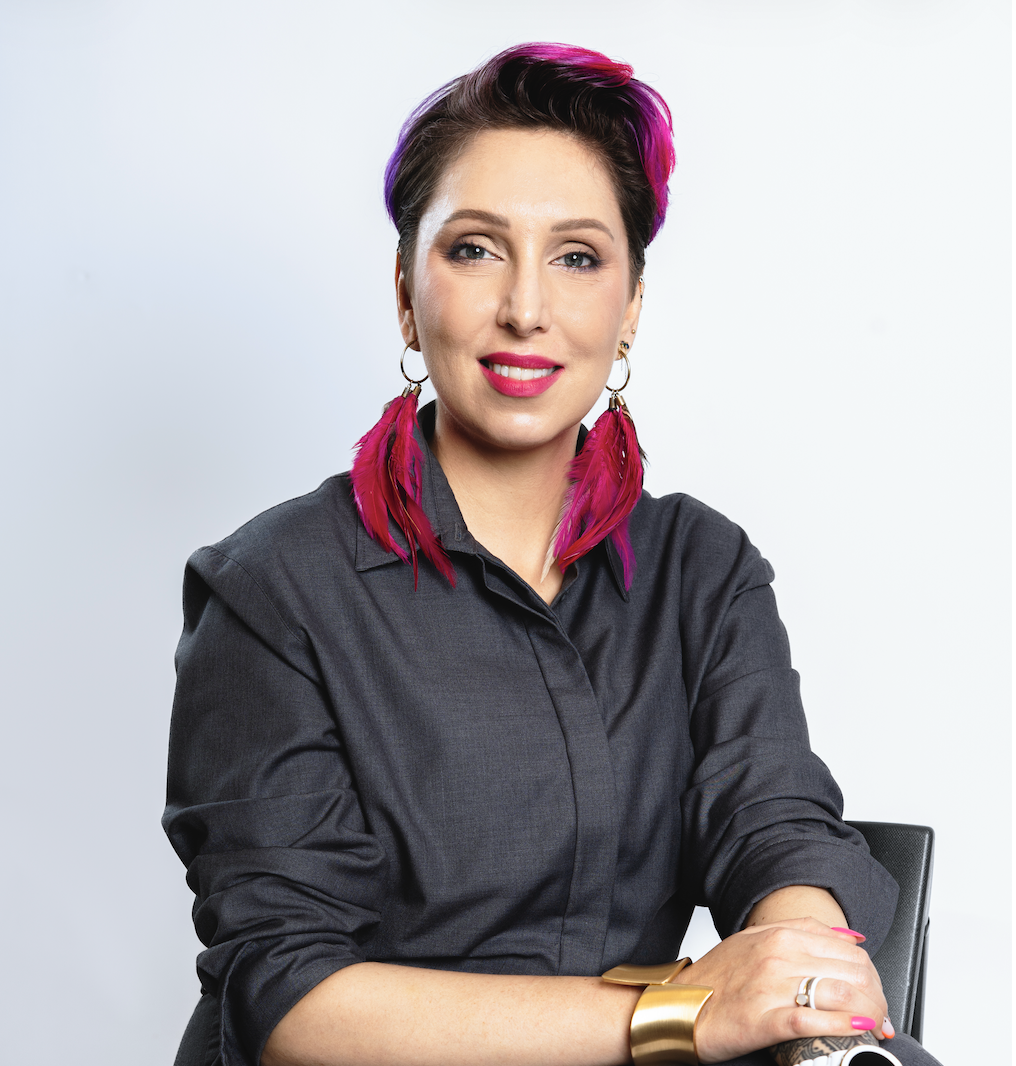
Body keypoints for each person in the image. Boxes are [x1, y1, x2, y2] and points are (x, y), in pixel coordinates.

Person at [163, 43, 943, 1066]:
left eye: (576, 257)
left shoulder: (700, 569)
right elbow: (290, 1000)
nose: (525, 307)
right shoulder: (276, 588)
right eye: (475, 249)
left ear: (629, 308)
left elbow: (772, 819)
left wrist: (803, 981)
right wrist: (680, 1012)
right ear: (405, 291)